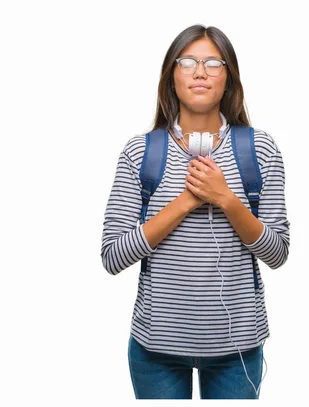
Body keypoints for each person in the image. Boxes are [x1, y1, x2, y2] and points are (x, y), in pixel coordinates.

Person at [100, 24, 290, 399]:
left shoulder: (261, 149)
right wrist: (187, 201)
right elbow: (112, 256)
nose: (200, 71)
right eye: (187, 62)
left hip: (238, 349)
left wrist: (227, 200)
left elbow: (278, 253)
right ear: (171, 77)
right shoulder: (139, 153)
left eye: (212, 63)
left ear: (228, 79)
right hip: (155, 349)